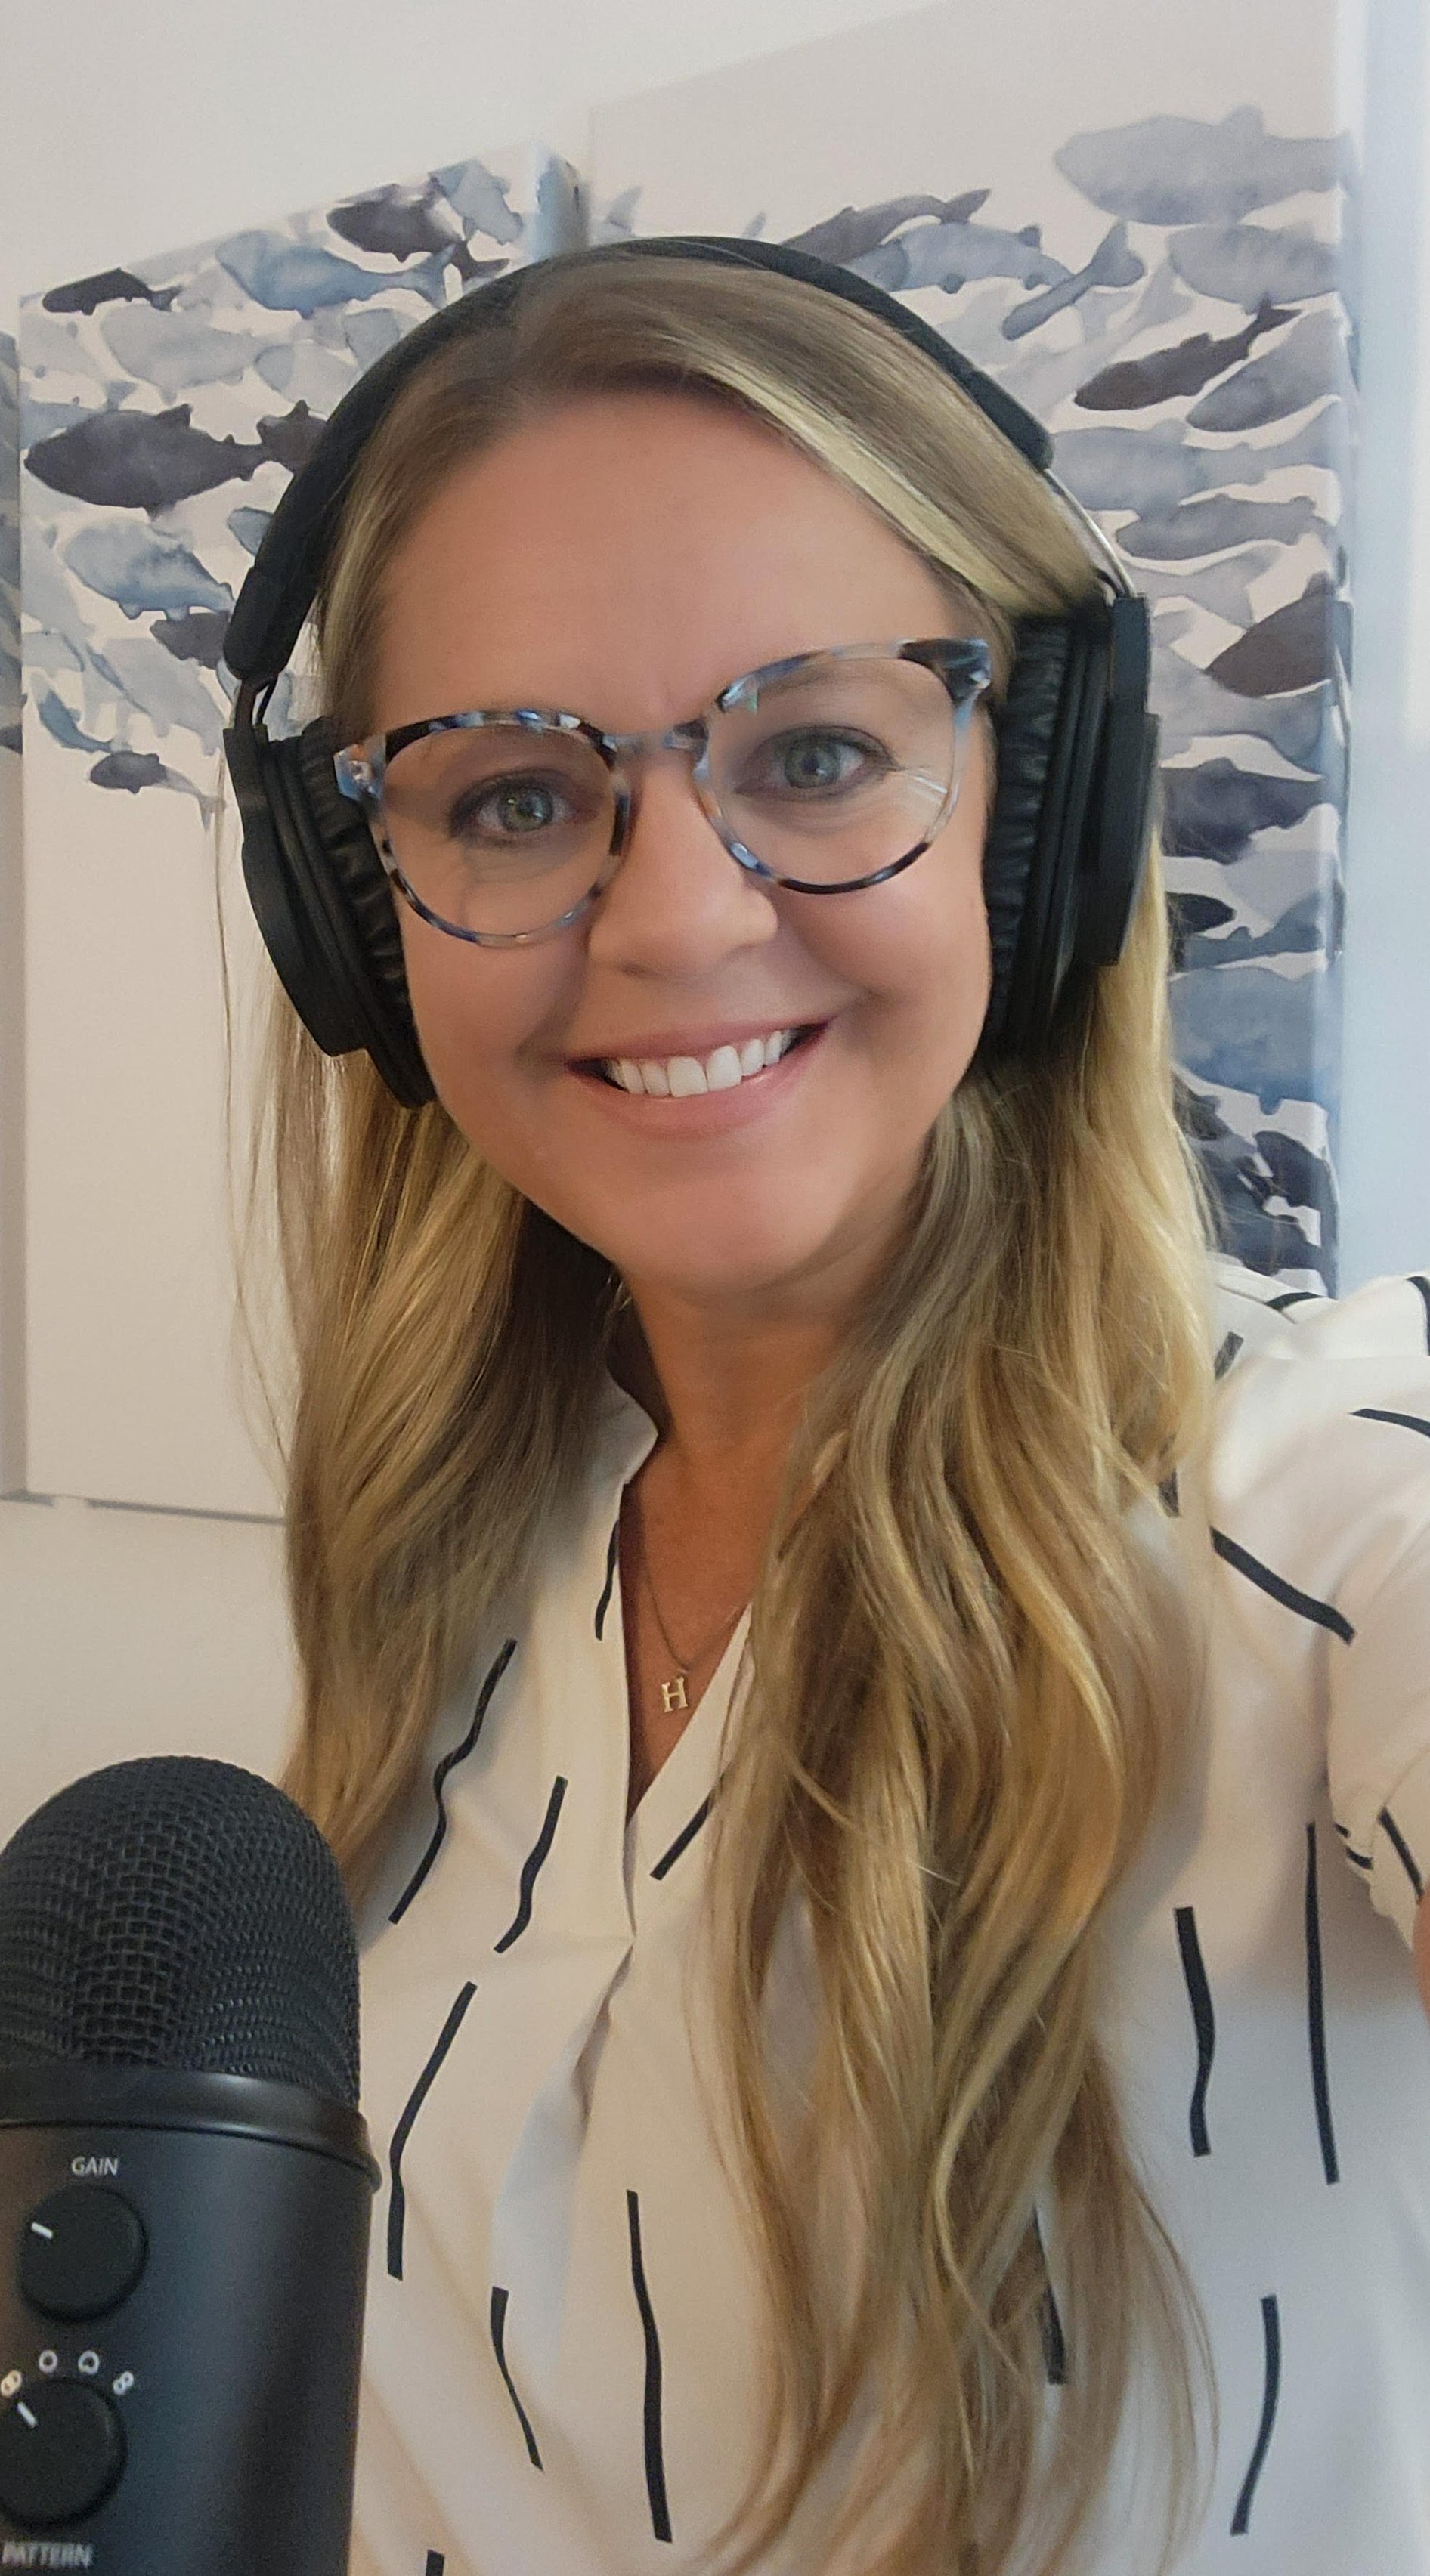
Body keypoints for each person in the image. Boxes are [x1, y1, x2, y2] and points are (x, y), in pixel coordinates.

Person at [226, 244, 1430, 2574]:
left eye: (812, 751)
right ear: (358, 917)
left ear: (1037, 803)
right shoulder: (457, 1581)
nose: (672, 916)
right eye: (506, 796)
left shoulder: (1323, 1498)